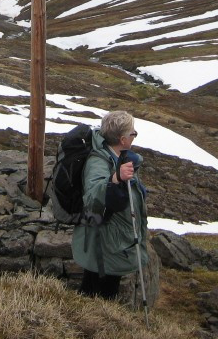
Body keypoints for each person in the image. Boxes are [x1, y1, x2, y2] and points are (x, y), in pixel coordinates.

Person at [71, 110, 148, 299]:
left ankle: (91, 320)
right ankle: (90, 324)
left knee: (100, 288)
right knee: (98, 291)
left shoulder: (118, 157)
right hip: (105, 240)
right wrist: (115, 178)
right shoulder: (98, 160)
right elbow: (92, 196)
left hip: (113, 239)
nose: (135, 135)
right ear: (123, 139)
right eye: (133, 133)